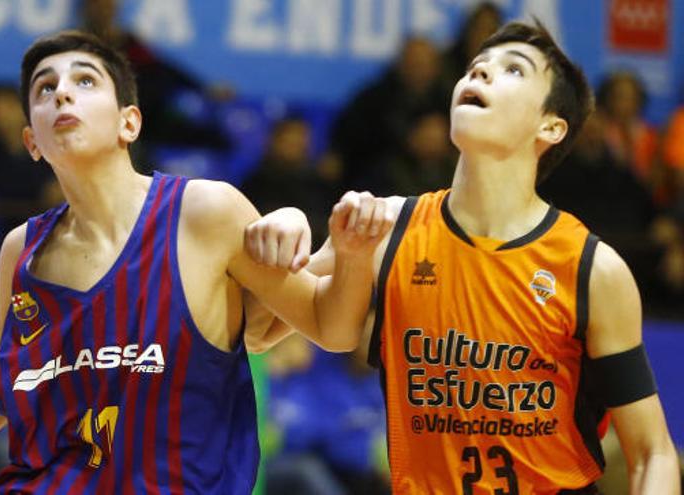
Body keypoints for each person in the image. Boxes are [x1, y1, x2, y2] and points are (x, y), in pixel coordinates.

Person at [0, 30, 390, 494]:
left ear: (129, 122)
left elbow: (332, 326)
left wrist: (344, 250)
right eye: (45, 88)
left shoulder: (204, 212)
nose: (62, 92)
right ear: (31, 141)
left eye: (84, 81)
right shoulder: (20, 251)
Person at [246, 21, 681, 493]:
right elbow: (256, 331)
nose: (480, 74)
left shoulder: (591, 269)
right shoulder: (386, 228)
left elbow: (652, 453)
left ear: (551, 126)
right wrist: (287, 232)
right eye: (476, 67)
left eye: (513, 70)